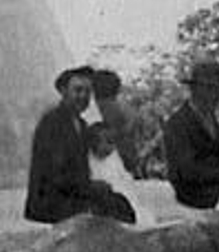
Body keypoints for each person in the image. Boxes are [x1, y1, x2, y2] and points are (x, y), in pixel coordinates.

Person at [24, 65, 135, 224]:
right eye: (77, 90)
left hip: (72, 192)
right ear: (63, 91)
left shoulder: (81, 124)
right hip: (51, 199)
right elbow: (55, 174)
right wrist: (90, 187)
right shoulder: (52, 122)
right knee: (108, 209)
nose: (83, 96)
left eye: (88, 92)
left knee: (119, 204)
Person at [162, 61, 219, 210]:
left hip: (216, 188)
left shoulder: (210, 119)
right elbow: (188, 171)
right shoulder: (178, 124)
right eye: (209, 88)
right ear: (194, 89)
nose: (215, 95)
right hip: (193, 195)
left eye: (218, 89)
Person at [85, 122, 146, 222]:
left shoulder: (113, 158)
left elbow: (126, 180)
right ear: (93, 141)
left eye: (113, 143)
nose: (111, 148)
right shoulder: (85, 161)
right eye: (108, 142)